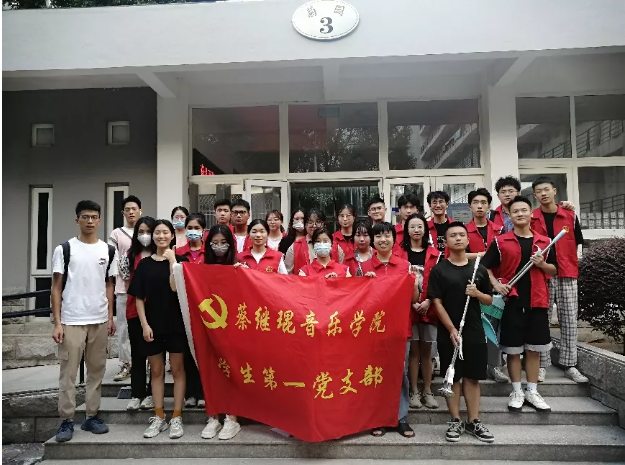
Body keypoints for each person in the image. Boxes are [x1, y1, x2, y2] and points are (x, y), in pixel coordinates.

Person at [482, 196, 557, 413]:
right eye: (515, 211)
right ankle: (516, 391)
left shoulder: (545, 241)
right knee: (513, 350)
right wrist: (497, 285)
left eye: (524, 210)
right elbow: (485, 267)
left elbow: (554, 269)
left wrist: (542, 264)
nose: (520, 214)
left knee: (534, 349)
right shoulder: (501, 241)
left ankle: (532, 391)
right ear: (509, 215)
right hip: (512, 302)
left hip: (537, 300)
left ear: (531, 213)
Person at [51, 200, 118, 442]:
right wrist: (57, 322)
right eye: (85, 216)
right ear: (77, 219)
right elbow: (56, 287)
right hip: (72, 319)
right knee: (68, 373)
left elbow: (109, 285)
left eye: (94, 217)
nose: (90, 221)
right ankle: (66, 420)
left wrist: (110, 317)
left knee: (96, 371)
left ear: (99, 220)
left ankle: (91, 416)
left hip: (99, 319)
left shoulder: (108, 250)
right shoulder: (65, 249)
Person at [428, 222, 495, 443]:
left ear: (467, 240)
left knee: (473, 377)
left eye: (461, 235)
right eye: (453, 235)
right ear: (446, 242)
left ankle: (473, 421)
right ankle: (455, 420)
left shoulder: (478, 269)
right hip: (449, 332)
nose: (458, 238)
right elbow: (437, 303)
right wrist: (451, 329)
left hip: (474, 330)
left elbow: (489, 300)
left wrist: (477, 293)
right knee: (452, 377)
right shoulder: (439, 270)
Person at [127, 219, 189, 439]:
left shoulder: (181, 262)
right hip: (152, 325)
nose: (161, 236)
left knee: (178, 370)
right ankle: (159, 416)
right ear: (153, 236)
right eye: (157, 233)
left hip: (176, 325)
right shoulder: (144, 264)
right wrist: (144, 324)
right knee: (156, 371)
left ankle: (177, 416)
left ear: (172, 235)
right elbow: (138, 298)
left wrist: (172, 260)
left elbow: (175, 287)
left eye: (165, 232)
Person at [360, 222, 419, 439]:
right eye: (378, 236)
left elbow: (413, 299)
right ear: (372, 241)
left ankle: (400, 418)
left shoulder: (405, 266)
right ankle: (378, 418)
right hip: (372, 331)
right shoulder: (363, 267)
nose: (383, 240)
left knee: (398, 373)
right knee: (374, 373)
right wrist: (364, 285)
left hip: (399, 329)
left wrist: (415, 285)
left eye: (387, 236)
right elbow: (356, 302)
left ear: (394, 239)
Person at [531, 177, 588, 384]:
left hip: (567, 273)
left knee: (569, 320)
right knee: (541, 320)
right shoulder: (532, 218)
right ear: (535, 195)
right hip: (541, 274)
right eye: (539, 191)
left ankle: (569, 364)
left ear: (554, 191)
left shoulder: (569, 215)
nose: (543, 193)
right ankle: (542, 365)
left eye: (546, 189)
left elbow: (577, 242)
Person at [200, 224, 244, 440]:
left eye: (223, 243)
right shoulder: (201, 268)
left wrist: (243, 273)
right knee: (211, 372)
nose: (219, 247)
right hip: (209, 328)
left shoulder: (239, 265)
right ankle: (213, 417)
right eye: (215, 243)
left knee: (232, 371)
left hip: (233, 329)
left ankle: (232, 418)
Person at [396, 214, 440, 410]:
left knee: (427, 352)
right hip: (408, 310)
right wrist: (412, 302)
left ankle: (428, 391)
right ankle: (414, 391)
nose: (416, 230)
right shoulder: (399, 254)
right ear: (406, 230)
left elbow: (439, 281)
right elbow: (397, 282)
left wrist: (429, 300)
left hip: (430, 309)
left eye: (420, 226)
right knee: (413, 352)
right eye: (412, 226)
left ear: (425, 230)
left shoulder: (435, 254)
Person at [465, 189, 508, 383]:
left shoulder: (500, 229)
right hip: (472, 284)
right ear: (470, 206)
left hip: (498, 284)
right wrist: (482, 255)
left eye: (483, 202)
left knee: (494, 327)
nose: (480, 206)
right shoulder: (464, 231)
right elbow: (456, 254)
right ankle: (474, 364)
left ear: (489, 206)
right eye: (476, 202)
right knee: (473, 326)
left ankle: (494, 366)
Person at [118, 216, 158, 411]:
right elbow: (127, 283)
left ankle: (152, 394)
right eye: (141, 232)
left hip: (157, 310)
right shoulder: (129, 256)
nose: (145, 235)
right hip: (135, 310)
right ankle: (137, 394)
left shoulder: (161, 253)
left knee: (155, 356)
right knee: (138, 353)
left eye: (148, 232)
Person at [175, 214, 208, 409]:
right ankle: (190, 394)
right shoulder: (178, 252)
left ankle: (204, 393)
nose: (193, 231)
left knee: (204, 353)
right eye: (190, 227)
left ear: (203, 230)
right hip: (183, 307)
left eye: (197, 228)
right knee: (187, 353)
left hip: (206, 309)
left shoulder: (208, 253)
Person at [109, 195, 142, 383]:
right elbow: (113, 261)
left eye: (134, 208)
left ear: (140, 211)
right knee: (124, 328)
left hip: (145, 288)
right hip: (124, 288)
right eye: (127, 209)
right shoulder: (116, 234)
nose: (131, 212)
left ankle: (146, 364)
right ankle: (126, 364)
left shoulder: (146, 230)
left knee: (146, 325)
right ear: (123, 212)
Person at [284, 209, 327, 274]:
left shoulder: (334, 246)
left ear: (324, 224)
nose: (314, 225)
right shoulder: (294, 247)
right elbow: (287, 275)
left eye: (318, 222)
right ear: (305, 225)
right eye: (310, 222)